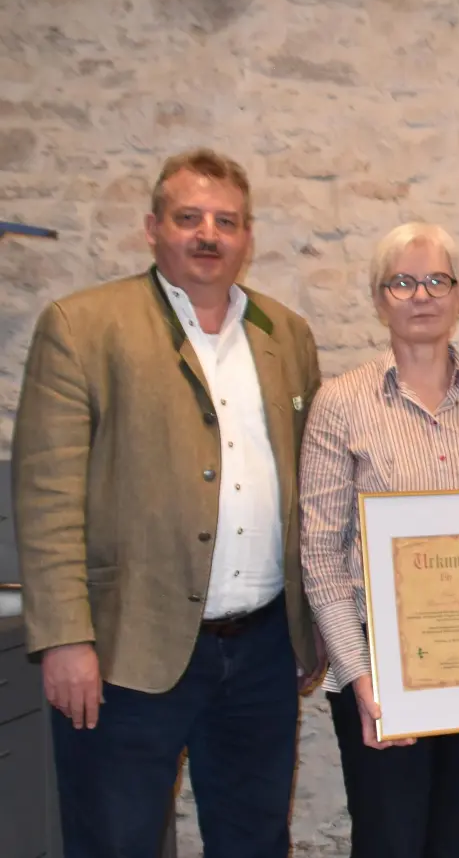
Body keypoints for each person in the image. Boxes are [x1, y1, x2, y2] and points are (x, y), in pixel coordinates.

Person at [11, 147, 325, 857]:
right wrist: (65, 638)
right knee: (116, 841)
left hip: (262, 649)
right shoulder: (84, 326)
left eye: (226, 221)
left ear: (248, 237)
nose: (208, 234)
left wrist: (308, 624)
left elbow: (307, 489)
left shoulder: (285, 336)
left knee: (254, 841)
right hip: (125, 652)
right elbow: (47, 496)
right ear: (152, 227)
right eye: (189, 218)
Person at [297, 222, 459, 857]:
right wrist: (359, 680)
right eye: (403, 281)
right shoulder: (342, 403)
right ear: (380, 297)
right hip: (383, 679)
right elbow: (321, 556)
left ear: (458, 294)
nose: (421, 295)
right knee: (389, 840)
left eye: (437, 279)